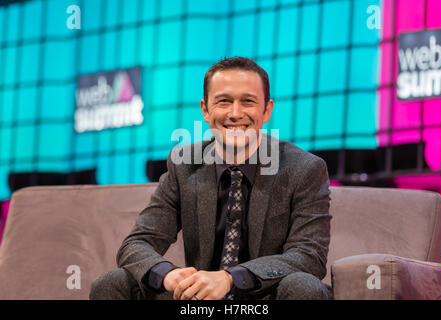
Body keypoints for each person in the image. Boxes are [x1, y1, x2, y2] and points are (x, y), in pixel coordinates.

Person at [90, 57, 332, 300]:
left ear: (266, 110)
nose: (235, 113)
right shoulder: (184, 164)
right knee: (113, 282)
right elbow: (137, 244)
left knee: (305, 287)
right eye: (224, 102)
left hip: (264, 299)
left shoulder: (304, 169)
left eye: (247, 101)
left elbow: (309, 256)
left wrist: (230, 279)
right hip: (197, 302)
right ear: (205, 110)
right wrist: (168, 275)